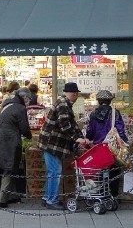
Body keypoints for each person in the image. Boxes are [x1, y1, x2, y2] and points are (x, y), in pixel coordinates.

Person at [38, 82, 88, 210]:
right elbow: (64, 124)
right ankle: (51, 200)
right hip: (52, 143)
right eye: (77, 95)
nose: (77, 98)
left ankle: (47, 198)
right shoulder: (63, 104)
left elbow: (72, 124)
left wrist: (81, 138)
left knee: (52, 171)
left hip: (51, 143)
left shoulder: (63, 102)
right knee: (55, 171)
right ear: (74, 94)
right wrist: (76, 138)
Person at [0, 88, 32, 208]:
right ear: (23, 97)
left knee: (10, 167)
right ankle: (2, 200)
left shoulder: (7, 104)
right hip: (10, 140)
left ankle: (12, 195)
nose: (28, 101)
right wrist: (30, 137)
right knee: (9, 167)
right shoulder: (20, 108)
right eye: (27, 98)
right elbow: (24, 128)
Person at [85, 89, 128, 196]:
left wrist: (88, 138)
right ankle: (113, 195)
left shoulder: (93, 114)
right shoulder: (115, 112)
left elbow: (90, 131)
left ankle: (101, 194)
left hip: (98, 147)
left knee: (99, 171)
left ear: (98, 101)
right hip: (112, 147)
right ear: (110, 101)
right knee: (114, 171)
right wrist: (125, 141)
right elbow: (120, 129)